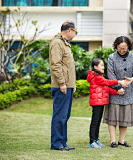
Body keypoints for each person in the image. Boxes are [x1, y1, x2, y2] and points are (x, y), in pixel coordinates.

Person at [103, 36, 133, 148]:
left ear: (128, 46)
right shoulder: (111, 57)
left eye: (124, 48)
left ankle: (122, 140)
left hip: (129, 91)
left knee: (125, 116)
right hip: (115, 91)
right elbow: (110, 74)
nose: (122, 50)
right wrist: (118, 87)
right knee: (113, 116)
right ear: (116, 46)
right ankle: (113, 140)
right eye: (120, 48)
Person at [49, 21, 78, 151]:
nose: (76, 34)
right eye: (75, 32)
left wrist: (73, 84)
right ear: (69, 30)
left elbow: (69, 67)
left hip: (68, 85)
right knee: (59, 115)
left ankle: (62, 142)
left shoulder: (65, 43)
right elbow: (56, 65)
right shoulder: (57, 43)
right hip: (61, 85)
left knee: (65, 116)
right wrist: (62, 83)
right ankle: (56, 144)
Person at [87, 58, 127, 148]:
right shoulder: (96, 76)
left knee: (97, 122)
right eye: (101, 65)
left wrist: (117, 92)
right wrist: (119, 81)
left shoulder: (99, 76)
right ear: (95, 67)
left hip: (100, 102)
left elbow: (106, 88)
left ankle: (96, 140)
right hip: (97, 102)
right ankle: (92, 142)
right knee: (95, 122)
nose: (103, 67)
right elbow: (107, 83)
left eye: (103, 65)